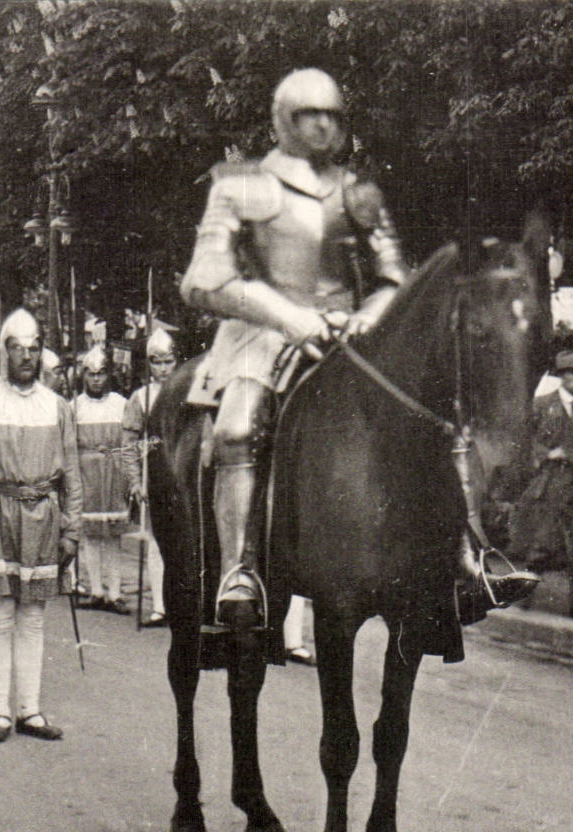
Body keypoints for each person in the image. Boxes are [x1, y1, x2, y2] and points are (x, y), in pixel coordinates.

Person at [178, 67, 408, 629]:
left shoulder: (359, 192)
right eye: (311, 115)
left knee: (425, 410)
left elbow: (395, 280)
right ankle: (239, 569)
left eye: (332, 115)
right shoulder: (241, 184)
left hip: (346, 337)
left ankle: (461, 560)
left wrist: (366, 319)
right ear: (285, 118)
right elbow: (203, 280)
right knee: (238, 426)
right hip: (261, 333)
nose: (324, 126)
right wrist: (286, 315)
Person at [0, 309, 82, 742]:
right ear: (4, 351)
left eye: (34, 348)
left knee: (34, 618)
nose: (27, 356)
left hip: (43, 519)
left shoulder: (57, 406)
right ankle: (0, 712)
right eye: (18, 348)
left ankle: (30, 710)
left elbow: (72, 475)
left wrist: (72, 529)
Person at [514, 354, 573, 621]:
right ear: (561, 377)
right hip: (553, 481)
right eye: (570, 374)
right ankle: (525, 590)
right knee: (543, 543)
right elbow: (523, 440)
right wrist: (546, 453)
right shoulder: (542, 405)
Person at [119, 326, 177, 626]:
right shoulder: (141, 398)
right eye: (157, 362)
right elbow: (128, 445)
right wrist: (134, 481)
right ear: (149, 364)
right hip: (155, 475)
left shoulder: (188, 391)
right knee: (157, 541)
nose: (164, 369)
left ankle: (184, 604)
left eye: (168, 361)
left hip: (184, 476)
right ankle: (160, 606)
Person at [71, 347, 131, 614]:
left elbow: (130, 442)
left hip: (114, 473)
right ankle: (96, 590)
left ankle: (115, 592)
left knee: (113, 536)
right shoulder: (75, 407)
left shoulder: (121, 403)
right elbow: (69, 446)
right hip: (87, 475)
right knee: (91, 535)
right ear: (84, 375)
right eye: (91, 374)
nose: (96, 379)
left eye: (101, 374)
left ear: (108, 375)